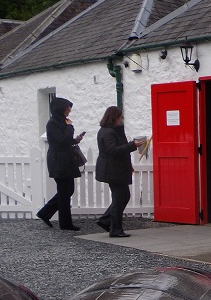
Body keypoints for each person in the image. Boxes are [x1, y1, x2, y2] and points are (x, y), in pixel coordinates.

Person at [36, 96, 85, 231]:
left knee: (66, 190)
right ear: (61, 109)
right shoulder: (52, 124)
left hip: (64, 159)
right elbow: (62, 140)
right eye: (67, 108)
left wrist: (75, 140)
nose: (69, 111)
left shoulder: (61, 122)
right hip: (58, 160)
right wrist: (70, 128)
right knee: (65, 191)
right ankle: (65, 223)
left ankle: (46, 213)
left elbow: (66, 141)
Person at [95, 106, 142, 238]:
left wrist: (129, 162)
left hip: (116, 168)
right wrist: (133, 145)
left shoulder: (110, 131)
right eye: (120, 117)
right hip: (113, 169)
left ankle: (106, 220)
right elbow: (113, 150)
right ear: (114, 117)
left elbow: (118, 149)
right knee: (120, 198)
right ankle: (115, 229)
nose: (121, 119)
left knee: (122, 196)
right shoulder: (108, 132)